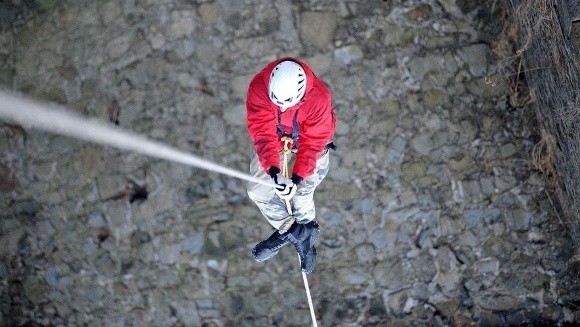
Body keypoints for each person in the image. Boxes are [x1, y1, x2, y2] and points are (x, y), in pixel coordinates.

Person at [245, 57, 336, 274]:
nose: (282, 108)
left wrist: (296, 179)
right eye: (277, 103)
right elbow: (262, 133)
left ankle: (302, 235)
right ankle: (294, 231)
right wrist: (275, 173)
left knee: (301, 195)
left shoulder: (319, 98)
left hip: (310, 147)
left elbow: (313, 143)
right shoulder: (259, 87)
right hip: (275, 144)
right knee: (257, 190)